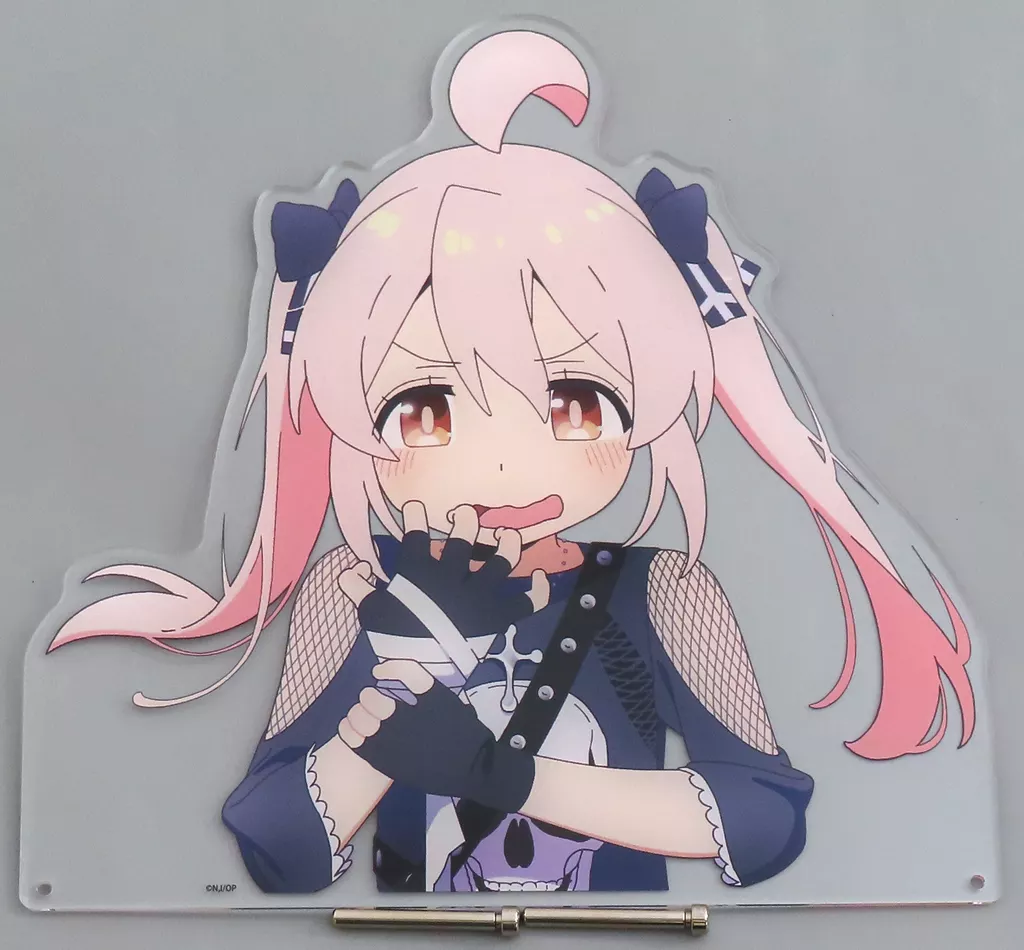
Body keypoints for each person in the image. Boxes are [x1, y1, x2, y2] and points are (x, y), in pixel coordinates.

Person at [48, 29, 974, 895]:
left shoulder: (664, 593)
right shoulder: (355, 585)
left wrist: (507, 775)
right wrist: (416, 659)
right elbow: (280, 846)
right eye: (424, 409)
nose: (503, 464)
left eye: (576, 402)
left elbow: (761, 821)